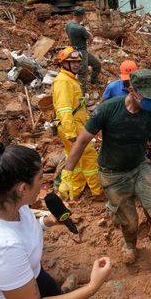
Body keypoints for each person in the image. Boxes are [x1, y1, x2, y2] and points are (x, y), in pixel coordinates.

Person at [59, 69, 151, 290]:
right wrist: (67, 173)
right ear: (131, 90)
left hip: (140, 168)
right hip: (112, 173)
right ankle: (130, 243)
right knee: (129, 221)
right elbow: (82, 141)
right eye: (146, 96)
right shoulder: (108, 109)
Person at [0, 143, 112, 299]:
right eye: (40, 178)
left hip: (34, 276)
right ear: (22, 189)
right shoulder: (4, 247)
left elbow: (23, 229)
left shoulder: (10, 206)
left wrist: (47, 222)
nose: (43, 184)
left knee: (54, 295)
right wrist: (93, 286)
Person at [52, 47, 101, 200]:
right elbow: (64, 110)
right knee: (89, 157)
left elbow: (76, 107)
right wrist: (71, 134)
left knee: (78, 161)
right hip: (72, 128)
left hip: (76, 126)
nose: (76, 65)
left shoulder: (70, 79)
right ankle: (98, 191)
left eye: (78, 62)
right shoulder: (63, 81)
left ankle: (74, 191)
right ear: (63, 63)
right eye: (71, 62)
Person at [65, 6, 101, 90]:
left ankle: (93, 80)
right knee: (82, 73)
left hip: (75, 49)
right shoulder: (80, 28)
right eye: (83, 16)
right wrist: (89, 42)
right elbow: (90, 38)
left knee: (97, 65)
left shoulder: (68, 24)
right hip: (81, 52)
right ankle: (82, 95)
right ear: (81, 16)